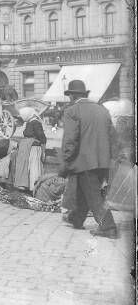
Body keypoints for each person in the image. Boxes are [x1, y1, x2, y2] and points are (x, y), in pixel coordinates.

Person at [59, 80, 119, 239]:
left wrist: (66, 161)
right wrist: (113, 158)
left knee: (93, 195)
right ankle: (76, 219)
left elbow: (70, 140)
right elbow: (113, 137)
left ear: (71, 95)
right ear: (84, 94)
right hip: (103, 161)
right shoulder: (102, 109)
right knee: (85, 191)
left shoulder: (72, 111)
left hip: (83, 161)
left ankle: (108, 227)